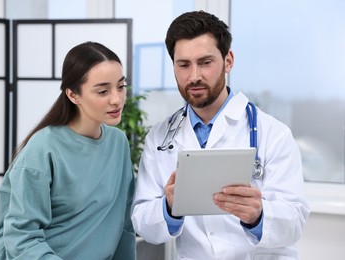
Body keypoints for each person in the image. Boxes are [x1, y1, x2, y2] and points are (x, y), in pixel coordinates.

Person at [131, 10, 310, 259]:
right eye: (183, 65)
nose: (194, 76)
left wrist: (258, 215)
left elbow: (294, 222)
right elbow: (143, 223)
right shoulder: (160, 139)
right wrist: (169, 207)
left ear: (228, 61)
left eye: (205, 62)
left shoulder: (274, 134)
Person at [0, 42, 136, 260]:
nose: (116, 99)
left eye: (120, 87)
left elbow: (123, 224)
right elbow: (21, 237)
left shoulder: (118, 143)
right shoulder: (43, 149)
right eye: (103, 91)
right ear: (73, 95)